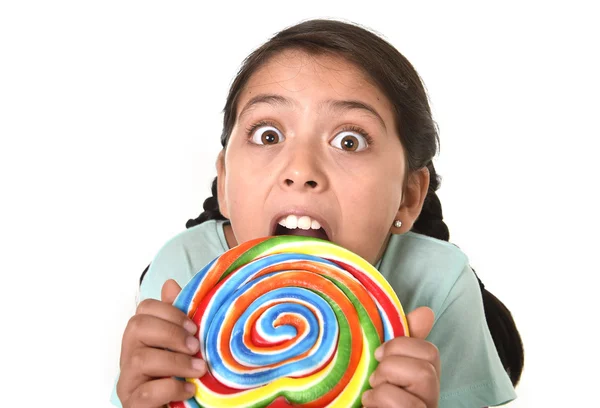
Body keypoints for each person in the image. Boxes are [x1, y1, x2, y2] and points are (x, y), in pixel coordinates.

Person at [113, 19, 524, 408]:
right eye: (268, 134)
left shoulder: (439, 281)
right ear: (223, 180)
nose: (301, 171)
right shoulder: (184, 270)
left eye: (349, 141)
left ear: (408, 196)